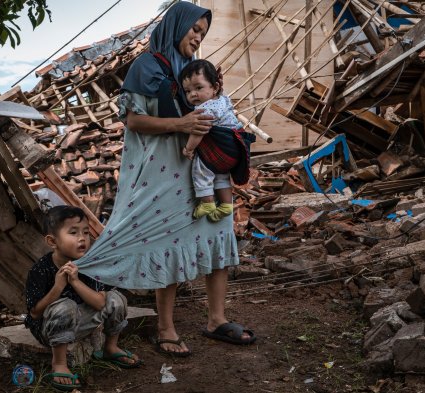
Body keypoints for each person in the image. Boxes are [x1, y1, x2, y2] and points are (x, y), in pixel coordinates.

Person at [75, 1, 256, 358]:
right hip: (163, 175)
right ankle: (165, 328)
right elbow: (133, 121)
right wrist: (181, 125)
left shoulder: (192, 71)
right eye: (194, 30)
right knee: (169, 245)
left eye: (203, 33)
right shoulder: (147, 66)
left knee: (216, 235)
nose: (198, 37)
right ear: (177, 25)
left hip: (201, 170)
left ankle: (216, 320)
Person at [24, 205, 142, 391]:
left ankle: (110, 348)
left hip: (82, 323)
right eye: (73, 232)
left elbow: (100, 303)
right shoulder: (40, 269)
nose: (82, 238)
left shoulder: (90, 265)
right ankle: (60, 363)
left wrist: (75, 281)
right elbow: (35, 313)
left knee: (116, 299)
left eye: (86, 232)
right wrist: (58, 287)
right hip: (50, 330)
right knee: (66, 305)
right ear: (52, 241)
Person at [179, 59, 254, 222]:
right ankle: (226, 204)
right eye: (187, 91)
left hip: (221, 150)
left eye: (198, 88)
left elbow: (198, 131)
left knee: (201, 169)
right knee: (221, 175)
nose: (193, 94)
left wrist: (189, 149)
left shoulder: (204, 109)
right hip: (234, 152)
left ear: (215, 87)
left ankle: (207, 203)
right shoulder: (222, 100)